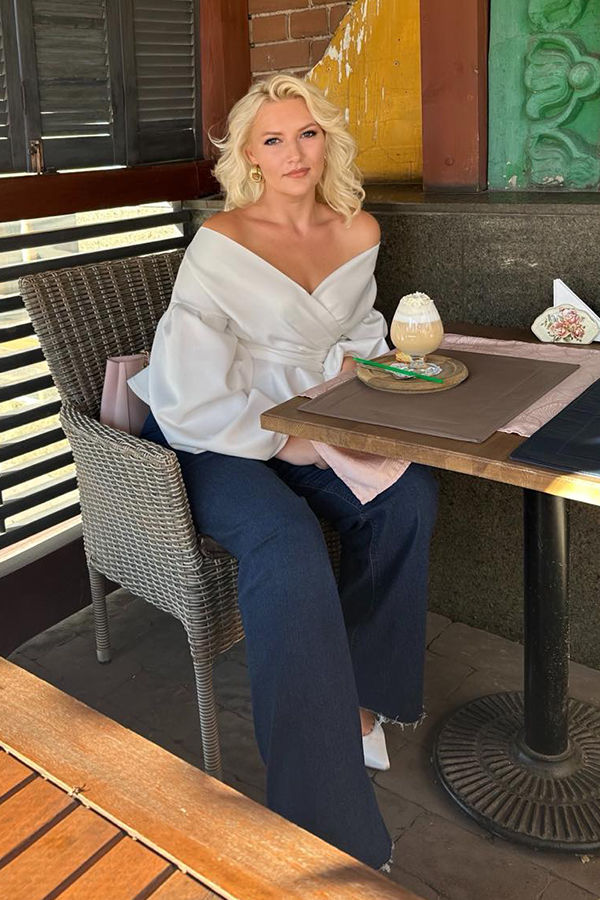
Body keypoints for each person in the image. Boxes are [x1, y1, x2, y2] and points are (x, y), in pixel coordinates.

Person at [130, 74, 437, 871]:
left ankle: (359, 700)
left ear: (327, 140)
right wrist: (286, 442)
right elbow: (188, 387)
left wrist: (363, 402)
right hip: (209, 429)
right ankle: (325, 832)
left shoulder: (358, 229)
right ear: (250, 156)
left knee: (408, 495)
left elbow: (359, 337)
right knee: (287, 544)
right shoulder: (222, 241)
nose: (293, 152)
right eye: (273, 139)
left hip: (313, 419)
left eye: (307, 133)